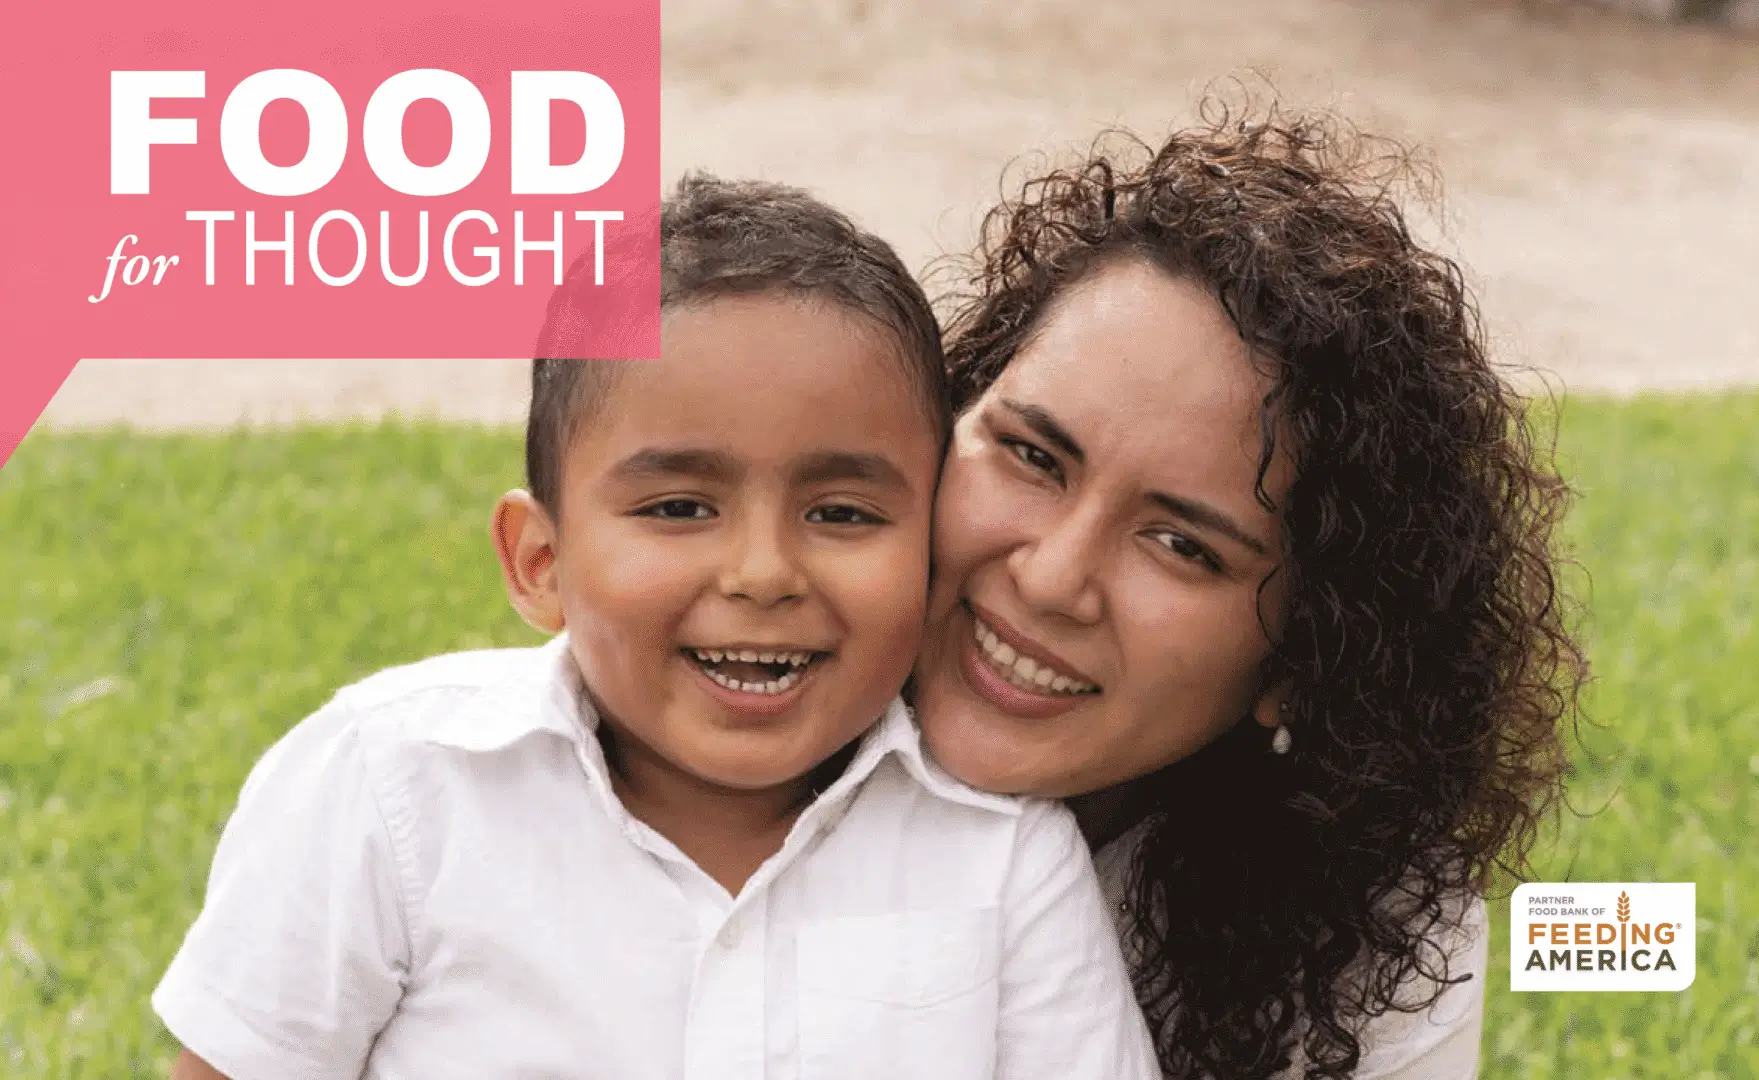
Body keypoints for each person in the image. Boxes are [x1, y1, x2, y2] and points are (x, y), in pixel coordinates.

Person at [153, 174, 1160, 1080]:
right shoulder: (390, 788)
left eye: (843, 514)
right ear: (539, 563)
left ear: (929, 544)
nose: (763, 572)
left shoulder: (1003, 859)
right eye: (678, 507)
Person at [910, 105, 1587, 1079]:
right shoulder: (693, 723)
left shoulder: (1365, 921)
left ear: (1303, 658)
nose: (1052, 579)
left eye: (1182, 546)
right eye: (1029, 454)